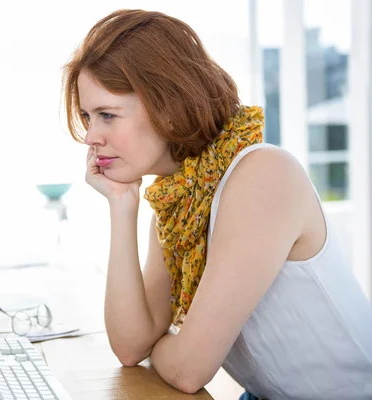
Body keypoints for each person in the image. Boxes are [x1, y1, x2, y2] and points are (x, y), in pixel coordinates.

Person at [61, 9, 372, 400]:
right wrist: (122, 205)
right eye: (88, 116)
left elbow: (189, 370)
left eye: (107, 115)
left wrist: (172, 346)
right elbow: (130, 346)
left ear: (169, 108)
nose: (90, 136)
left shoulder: (263, 175)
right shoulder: (181, 202)